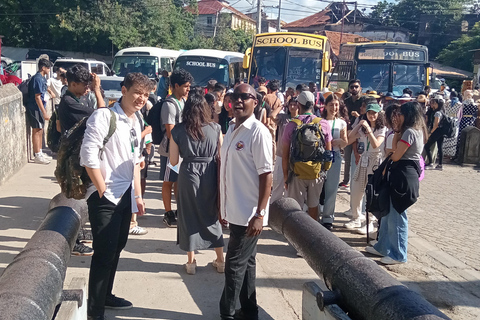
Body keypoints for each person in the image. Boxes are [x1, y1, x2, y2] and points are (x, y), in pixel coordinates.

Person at [80, 72, 152, 320]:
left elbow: (135, 160)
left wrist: (138, 197)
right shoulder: (104, 116)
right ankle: (95, 311)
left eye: (145, 94)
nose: (141, 98)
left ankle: (106, 295)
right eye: (137, 93)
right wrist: (102, 190)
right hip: (105, 196)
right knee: (103, 254)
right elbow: (88, 156)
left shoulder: (136, 120)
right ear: (124, 91)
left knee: (117, 247)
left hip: (126, 193)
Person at [219, 84, 273, 320]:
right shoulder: (231, 129)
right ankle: (249, 311)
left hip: (250, 214)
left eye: (245, 97)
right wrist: (223, 207)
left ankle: (227, 314)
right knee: (247, 264)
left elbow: (266, 175)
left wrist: (260, 214)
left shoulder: (257, 132)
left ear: (256, 102)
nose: (239, 101)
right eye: (235, 97)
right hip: (235, 211)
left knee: (233, 266)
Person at [169, 94, 225, 275]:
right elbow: (221, 155)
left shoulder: (178, 130)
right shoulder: (216, 128)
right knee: (211, 215)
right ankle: (220, 259)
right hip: (210, 172)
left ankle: (191, 262)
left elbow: (173, 160)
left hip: (188, 174)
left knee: (188, 216)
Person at [366, 102, 426, 264]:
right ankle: (383, 246)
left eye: (400, 114)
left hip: (403, 177)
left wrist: (398, 134)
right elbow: (394, 150)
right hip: (403, 176)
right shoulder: (416, 131)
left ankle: (398, 254)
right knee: (388, 213)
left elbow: (395, 155)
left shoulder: (409, 133)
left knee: (397, 216)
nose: (397, 116)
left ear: (408, 115)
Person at [57, 64, 105, 256]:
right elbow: (102, 114)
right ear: (73, 84)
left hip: (78, 154)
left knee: (82, 193)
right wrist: (97, 90)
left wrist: (93, 89)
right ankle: (73, 240)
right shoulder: (69, 102)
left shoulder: (78, 98)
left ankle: (77, 230)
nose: (87, 88)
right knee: (75, 196)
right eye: (84, 85)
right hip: (73, 159)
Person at [282, 91, 332, 221]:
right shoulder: (324, 124)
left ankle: (295, 238)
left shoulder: (292, 124)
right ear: (315, 103)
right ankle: (313, 237)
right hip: (316, 172)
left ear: (299, 104)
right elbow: (328, 152)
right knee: (313, 206)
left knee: (295, 208)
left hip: (296, 172)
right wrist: (324, 170)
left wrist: (286, 176)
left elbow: (285, 153)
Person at [345, 103, 386, 232]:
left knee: (372, 192)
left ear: (378, 114)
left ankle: (370, 221)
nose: (371, 115)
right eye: (369, 113)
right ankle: (356, 217)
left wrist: (369, 130)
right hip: (364, 159)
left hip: (375, 160)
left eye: (374, 113)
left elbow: (375, 144)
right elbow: (349, 138)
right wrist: (358, 125)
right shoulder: (362, 128)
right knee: (356, 189)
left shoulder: (382, 128)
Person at [160, 69, 193, 227]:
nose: (188, 89)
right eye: (186, 86)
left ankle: (179, 210)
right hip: (170, 150)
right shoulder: (169, 104)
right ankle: (168, 212)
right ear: (176, 85)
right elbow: (170, 131)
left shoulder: (184, 101)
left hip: (181, 149)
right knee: (168, 181)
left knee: (179, 181)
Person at [320, 94, 349, 230]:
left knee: (332, 188)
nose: (334, 107)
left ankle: (328, 218)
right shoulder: (320, 121)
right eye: (331, 105)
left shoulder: (341, 123)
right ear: (325, 106)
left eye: (336, 105)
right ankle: (314, 213)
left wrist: (338, 142)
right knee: (317, 187)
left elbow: (345, 141)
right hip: (320, 156)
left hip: (335, 156)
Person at [271, 98, 298, 203]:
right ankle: (273, 208)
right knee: (278, 183)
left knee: (290, 187)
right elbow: (272, 116)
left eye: (295, 105)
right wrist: (282, 106)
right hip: (281, 155)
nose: (292, 107)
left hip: (294, 157)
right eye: (290, 105)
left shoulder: (301, 119)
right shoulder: (284, 118)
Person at [27, 58, 53, 164]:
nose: (49, 70)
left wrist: (51, 93)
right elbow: (37, 97)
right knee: (37, 130)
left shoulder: (42, 78)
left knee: (41, 129)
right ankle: (37, 154)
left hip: (40, 107)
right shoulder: (37, 78)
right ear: (43, 68)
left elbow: (45, 87)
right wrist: (44, 112)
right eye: (48, 68)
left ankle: (40, 152)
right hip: (35, 108)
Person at [340, 79, 363, 189]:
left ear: (360, 88)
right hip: (349, 131)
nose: (354, 89)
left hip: (361, 133)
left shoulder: (364, 100)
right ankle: (346, 181)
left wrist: (358, 115)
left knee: (358, 157)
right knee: (347, 157)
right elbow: (343, 114)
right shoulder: (347, 101)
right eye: (352, 87)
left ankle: (357, 182)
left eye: (356, 87)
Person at [424, 97, 446, 170]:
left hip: (436, 132)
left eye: (435, 103)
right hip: (441, 131)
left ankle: (431, 163)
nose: (433, 105)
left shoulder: (437, 113)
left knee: (427, 146)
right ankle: (440, 164)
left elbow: (436, 125)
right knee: (440, 147)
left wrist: (430, 132)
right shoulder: (442, 111)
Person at [455, 90, 478, 159]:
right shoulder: (475, 105)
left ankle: (458, 154)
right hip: (471, 121)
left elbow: (459, 114)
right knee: (470, 136)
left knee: (460, 137)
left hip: (463, 120)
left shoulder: (463, 104)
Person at [443, 91, 462, 158]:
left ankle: (444, 153)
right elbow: (460, 115)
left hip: (447, 120)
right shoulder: (460, 104)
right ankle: (451, 154)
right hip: (455, 121)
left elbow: (444, 111)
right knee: (454, 137)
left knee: (446, 136)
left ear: (451, 95)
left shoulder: (447, 103)